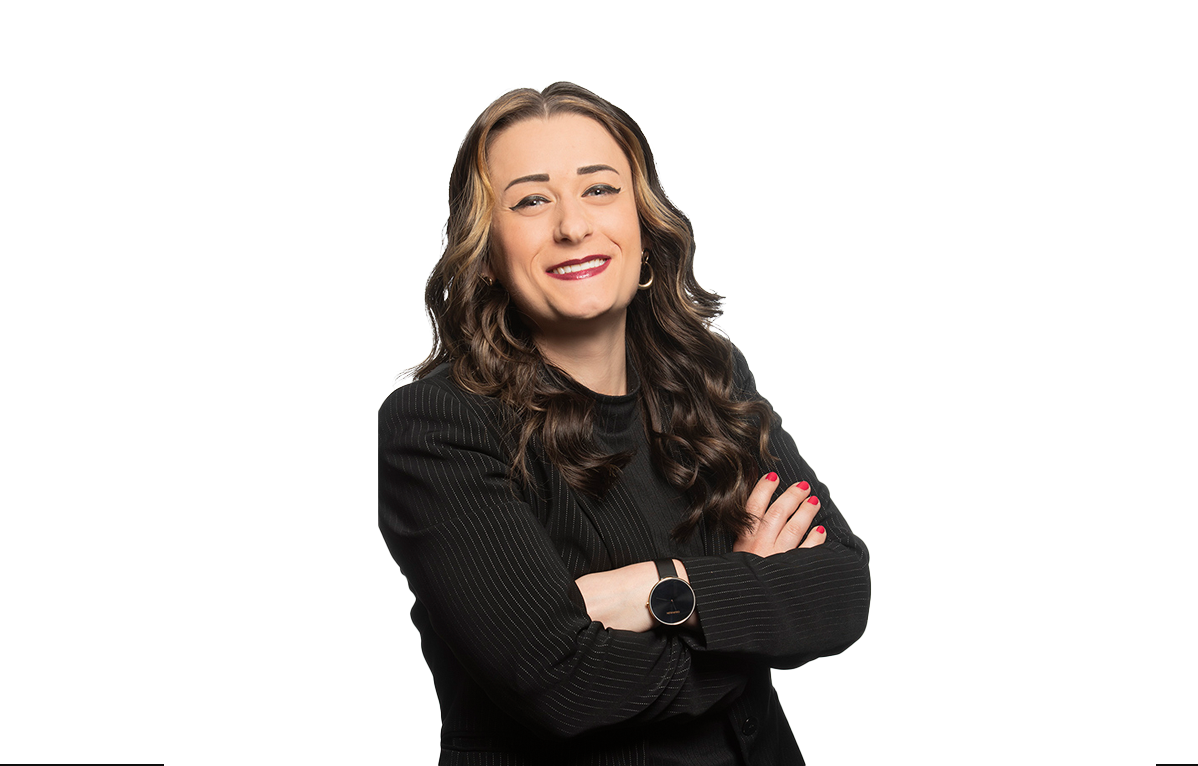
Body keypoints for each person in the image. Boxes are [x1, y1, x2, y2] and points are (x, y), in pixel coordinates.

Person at [378, 82, 870, 766]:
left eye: (600, 189)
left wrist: (654, 590)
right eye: (530, 201)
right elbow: (565, 687)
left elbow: (841, 587)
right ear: (485, 254)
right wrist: (746, 601)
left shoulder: (708, 375)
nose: (573, 226)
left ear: (644, 223)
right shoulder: (439, 425)